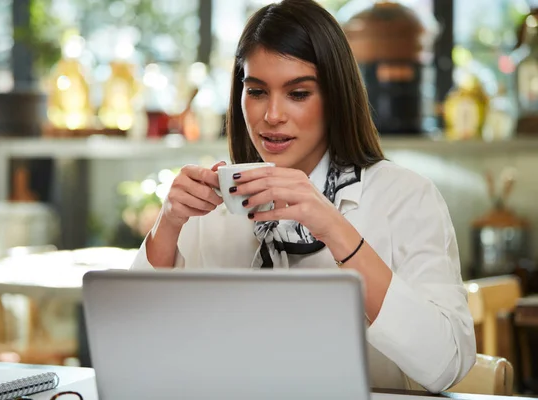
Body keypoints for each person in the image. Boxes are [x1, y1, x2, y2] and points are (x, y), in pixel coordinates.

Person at [131, 0, 475, 393]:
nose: (272, 115)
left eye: (298, 93)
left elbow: (445, 365)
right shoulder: (216, 201)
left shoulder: (406, 196)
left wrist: (331, 225)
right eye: (257, 91)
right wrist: (169, 223)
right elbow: (138, 349)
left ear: (335, 96)